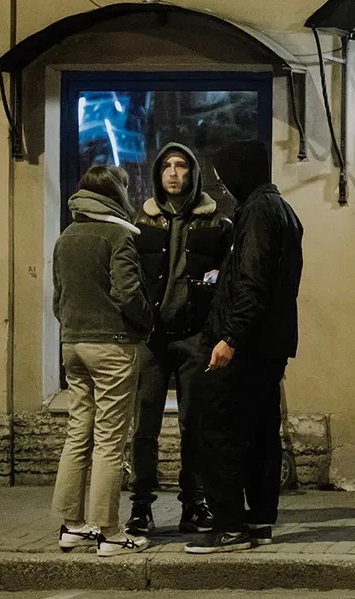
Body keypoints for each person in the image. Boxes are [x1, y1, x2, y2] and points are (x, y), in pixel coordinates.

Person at [184, 139, 303, 554]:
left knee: (217, 429)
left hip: (246, 344)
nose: (222, 185)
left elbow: (253, 280)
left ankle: (230, 527)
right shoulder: (282, 210)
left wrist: (230, 337)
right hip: (269, 344)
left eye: (224, 177)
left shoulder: (257, 212)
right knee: (260, 432)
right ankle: (259, 520)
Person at [125, 143, 232, 536]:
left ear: (193, 173)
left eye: (181, 165)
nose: (173, 172)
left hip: (194, 337)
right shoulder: (141, 223)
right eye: (166, 166)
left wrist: (217, 330)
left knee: (195, 425)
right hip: (152, 339)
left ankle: (194, 505)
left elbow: (227, 282)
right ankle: (141, 506)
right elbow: (128, 276)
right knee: (144, 428)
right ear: (158, 173)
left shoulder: (216, 224)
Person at [51, 165, 153, 557]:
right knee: (110, 439)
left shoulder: (66, 237)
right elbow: (127, 292)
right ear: (116, 195)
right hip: (111, 346)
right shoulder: (118, 235)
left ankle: (73, 526)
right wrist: (146, 321)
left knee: (78, 433)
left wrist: (73, 328)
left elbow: (58, 297)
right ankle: (110, 533)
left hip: (72, 344)